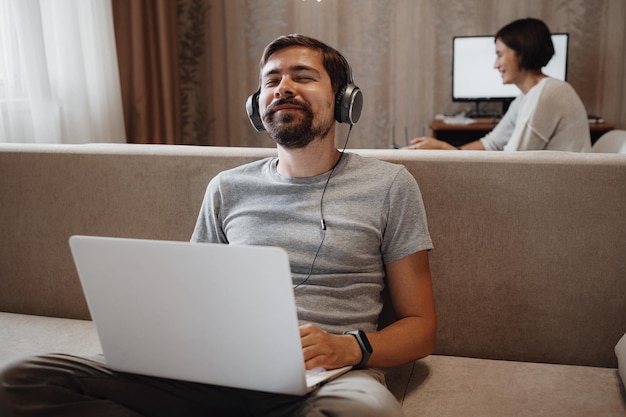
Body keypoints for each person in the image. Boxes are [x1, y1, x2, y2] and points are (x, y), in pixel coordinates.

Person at [0, 34, 437, 417]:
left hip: (328, 376)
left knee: (367, 411)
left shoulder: (389, 185)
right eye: (271, 81)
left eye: (302, 76)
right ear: (257, 105)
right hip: (218, 369)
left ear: (344, 99)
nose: (283, 87)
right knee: (20, 378)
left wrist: (349, 347)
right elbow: (193, 297)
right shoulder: (228, 188)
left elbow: (421, 326)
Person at [404, 18, 591, 152]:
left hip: (563, 197)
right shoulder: (526, 97)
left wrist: (445, 150)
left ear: (522, 53)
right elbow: (492, 143)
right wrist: (449, 151)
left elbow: (511, 163)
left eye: (500, 54)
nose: (495, 64)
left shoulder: (548, 93)